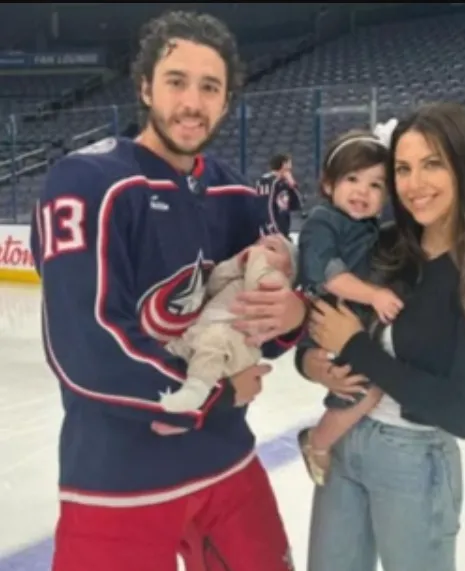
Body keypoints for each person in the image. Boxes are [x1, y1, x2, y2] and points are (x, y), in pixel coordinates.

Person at [29, 10, 307, 571]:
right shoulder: (88, 182)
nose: (192, 102)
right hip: (119, 478)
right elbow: (86, 347)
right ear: (144, 87)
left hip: (225, 464)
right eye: (177, 81)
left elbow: (260, 330)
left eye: (210, 88)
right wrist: (214, 396)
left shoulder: (236, 193)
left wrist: (291, 315)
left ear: (226, 102)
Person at [296, 102, 465, 571]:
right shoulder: (384, 244)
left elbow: (463, 413)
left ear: (463, 166)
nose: (414, 183)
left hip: (413, 461)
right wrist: (310, 362)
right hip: (344, 444)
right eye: (403, 169)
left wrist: (356, 348)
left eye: (432, 164)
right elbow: (323, 315)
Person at [295, 129, 405, 486]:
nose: (362, 191)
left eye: (375, 185)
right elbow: (327, 273)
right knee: (363, 389)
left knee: (366, 386)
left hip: (351, 326)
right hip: (329, 322)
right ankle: (317, 442)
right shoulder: (323, 221)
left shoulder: (371, 228)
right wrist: (374, 295)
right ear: (329, 184)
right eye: (352, 179)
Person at [164, 234, 297, 411]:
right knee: (178, 348)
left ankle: (197, 391)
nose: (258, 249)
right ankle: (169, 399)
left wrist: (259, 260)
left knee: (213, 346)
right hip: (204, 328)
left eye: (271, 249)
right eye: (258, 245)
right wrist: (236, 264)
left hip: (235, 339)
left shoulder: (278, 285)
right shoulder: (239, 277)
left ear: (290, 270)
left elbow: (258, 285)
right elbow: (213, 285)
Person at [255, 153, 303, 238]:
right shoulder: (269, 181)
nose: (291, 166)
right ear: (284, 164)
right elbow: (267, 206)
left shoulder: (284, 182)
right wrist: (273, 229)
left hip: (283, 229)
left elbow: (297, 204)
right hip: (271, 231)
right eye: (290, 163)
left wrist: (292, 185)